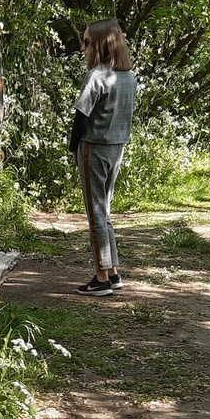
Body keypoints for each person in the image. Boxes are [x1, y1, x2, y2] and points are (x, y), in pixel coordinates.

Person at [69, 19, 137, 295]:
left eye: (86, 42)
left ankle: (100, 278)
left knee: (95, 213)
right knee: (104, 211)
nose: (82, 48)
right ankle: (113, 271)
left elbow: (81, 116)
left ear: (99, 44)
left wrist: (73, 148)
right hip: (117, 147)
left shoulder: (97, 76)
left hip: (94, 147)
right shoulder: (128, 76)